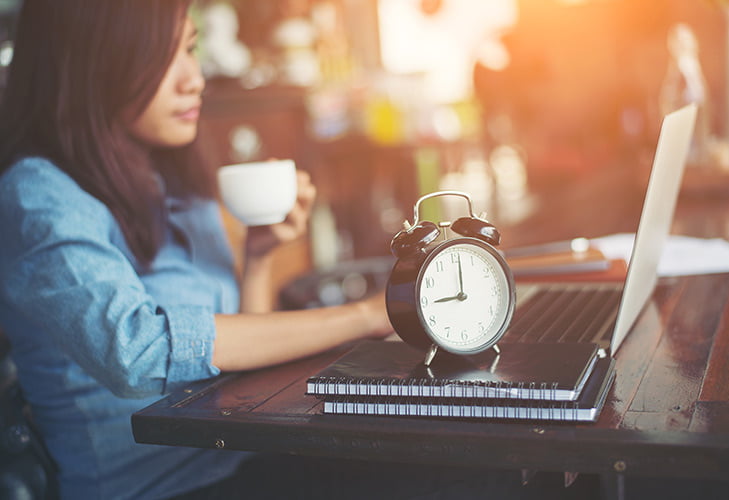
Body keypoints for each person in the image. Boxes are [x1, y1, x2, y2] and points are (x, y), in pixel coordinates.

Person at [0, 1, 615, 499]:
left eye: (189, 48)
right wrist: (367, 314)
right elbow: (137, 350)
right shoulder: (39, 194)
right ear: (90, 63)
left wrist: (260, 257)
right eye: (162, 57)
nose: (194, 77)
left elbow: (234, 373)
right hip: (163, 484)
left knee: (495, 451)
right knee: (476, 472)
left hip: (236, 458)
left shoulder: (160, 174)